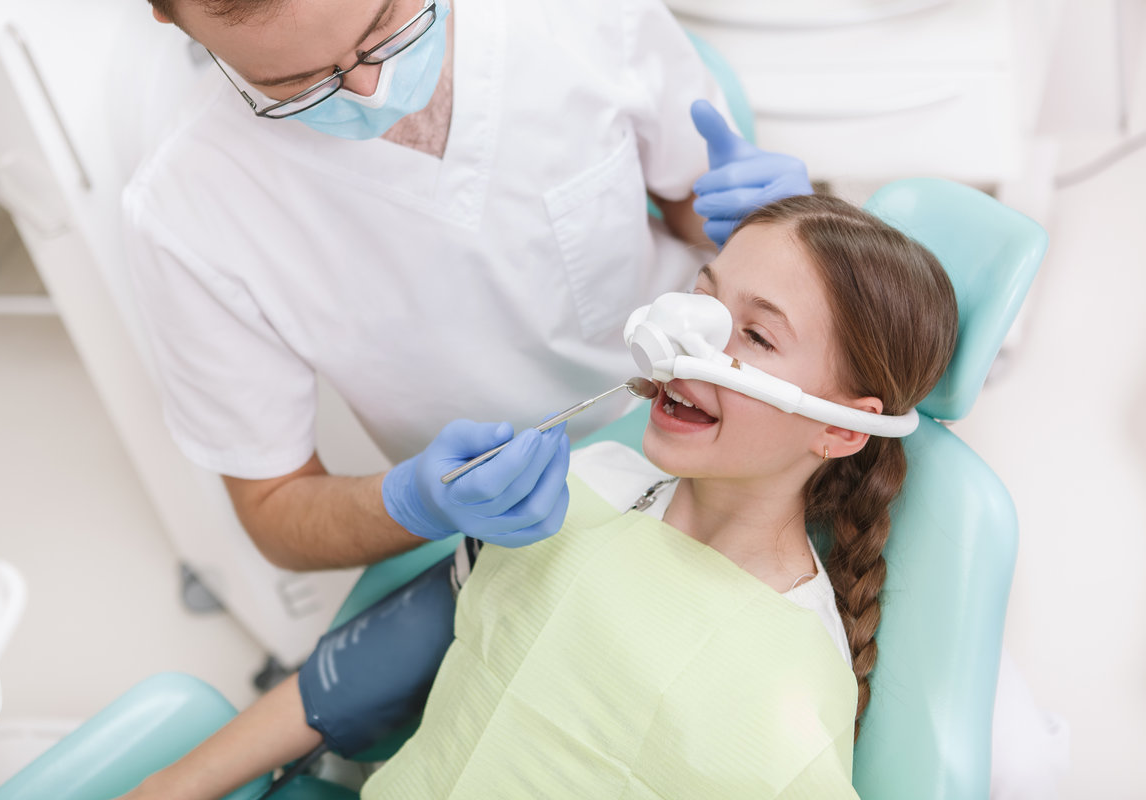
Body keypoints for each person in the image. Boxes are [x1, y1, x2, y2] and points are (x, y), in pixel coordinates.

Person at [115, 193, 959, 799]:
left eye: (757, 334)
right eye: (702, 301)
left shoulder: (782, 699)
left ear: (842, 429)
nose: (684, 339)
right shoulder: (581, 493)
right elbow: (370, 669)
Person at [126, 0, 812, 570]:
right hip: (525, 531)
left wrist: (761, 224)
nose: (372, 90)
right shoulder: (185, 211)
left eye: (386, 27)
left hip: (733, 421)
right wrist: (414, 502)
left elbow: (692, 202)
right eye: (299, 83)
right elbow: (274, 508)